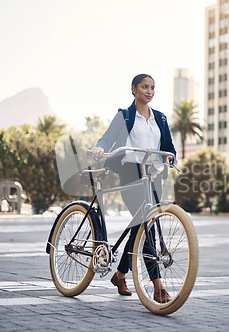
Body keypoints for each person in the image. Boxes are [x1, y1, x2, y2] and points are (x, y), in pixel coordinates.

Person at [91, 74, 176, 303]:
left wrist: (170, 158)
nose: (149, 91)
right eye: (144, 87)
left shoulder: (160, 118)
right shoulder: (126, 116)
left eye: (152, 88)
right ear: (134, 89)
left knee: (141, 227)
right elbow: (108, 138)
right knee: (146, 228)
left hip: (153, 177)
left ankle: (119, 275)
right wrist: (100, 148)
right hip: (131, 174)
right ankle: (158, 288)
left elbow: (169, 147)